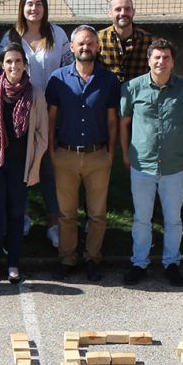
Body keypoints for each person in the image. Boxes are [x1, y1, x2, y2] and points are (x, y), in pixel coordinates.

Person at [120, 38, 183, 287]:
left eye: (166, 57)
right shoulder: (132, 88)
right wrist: (125, 153)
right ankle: (139, 263)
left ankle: (171, 263)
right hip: (142, 164)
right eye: (157, 57)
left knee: (173, 219)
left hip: (173, 166)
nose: (161, 61)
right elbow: (124, 123)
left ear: (172, 61)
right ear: (149, 60)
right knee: (142, 218)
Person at [46, 25, 119, 282]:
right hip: (65, 155)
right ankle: (67, 258)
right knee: (66, 213)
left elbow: (112, 121)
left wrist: (110, 152)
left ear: (97, 47)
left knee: (97, 214)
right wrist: (52, 151)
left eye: (90, 43)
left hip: (98, 156)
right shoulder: (57, 78)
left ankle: (92, 258)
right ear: (73, 47)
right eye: (81, 44)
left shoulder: (109, 80)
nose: (86, 47)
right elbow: (51, 117)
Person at [0, 44, 49, 285]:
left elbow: (41, 135)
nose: (13, 66)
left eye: (17, 61)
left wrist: (35, 166)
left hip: (20, 165)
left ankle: (13, 264)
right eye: (8, 62)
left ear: (25, 64)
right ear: (2, 65)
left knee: (16, 215)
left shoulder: (35, 94)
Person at [0, 0, 66, 248]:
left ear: (45, 7)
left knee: (49, 168)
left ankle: (53, 223)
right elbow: (2, 71)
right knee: (21, 167)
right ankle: (22, 216)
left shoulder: (57, 34)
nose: (33, 9)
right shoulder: (10, 36)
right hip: (19, 112)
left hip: (52, 111)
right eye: (29, 4)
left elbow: (68, 69)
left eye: (38, 4)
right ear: (22, 7)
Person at [96, 0, 152, 84]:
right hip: (107, 94)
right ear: (110, 13)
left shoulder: (148, 41)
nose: (123, 13)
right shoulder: (98, 39)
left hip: (136, 95)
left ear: (133, 12)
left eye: (127, 9)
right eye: (118, 9)